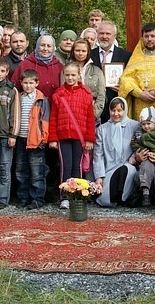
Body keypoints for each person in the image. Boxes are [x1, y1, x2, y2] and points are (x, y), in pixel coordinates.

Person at [49, 62, 96, 209]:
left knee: (77, 166)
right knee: (65, 166)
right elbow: (53, 117)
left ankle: (77, 195)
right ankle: (64, 196)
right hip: (63, 136)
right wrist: (53, 138)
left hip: (79, 136)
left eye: (73, 75)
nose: (70, 77)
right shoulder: (58, 94)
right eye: (67, 75)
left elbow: (90, 118)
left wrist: (89, 138)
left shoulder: (86, 93)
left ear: (79, 74)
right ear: (63, 75)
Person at [93, 97, 140, 207]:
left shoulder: (134, 126)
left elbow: (138, 145)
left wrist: (134, 157)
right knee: (106, 201)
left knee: (126, 170)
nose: (116, 114)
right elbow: (98, 154)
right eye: (113, 110)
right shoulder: (102, 129)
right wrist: (99, 176)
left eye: (119, 110)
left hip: (127, 166)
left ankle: (124, 196)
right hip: (109, 169)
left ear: (125, 111)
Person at [15, 69, 50, 210]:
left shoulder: (42, 100)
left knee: (37, 172)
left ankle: (37, 198)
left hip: (36, 141)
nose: (28, 86)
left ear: (37, 83)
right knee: (21, 170)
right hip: (20, 139)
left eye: (31, 83)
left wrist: (44, 138)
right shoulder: (19, 97)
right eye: (25, 83)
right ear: (21, 83)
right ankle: (23, 197)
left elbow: (46, 120)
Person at [0, 58, 20, 209]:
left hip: (5, 135)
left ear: (7, 72)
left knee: (4, 167)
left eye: (2, 71)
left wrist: (13, 134)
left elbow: (15, 113)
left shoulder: (11, 90)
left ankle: (2, 198)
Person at [90, 21, 131, 122]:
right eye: (101, 33)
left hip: (117, 106)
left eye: (108, 34)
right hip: (94, 105)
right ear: (97, 35)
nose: (104, 36)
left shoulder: (126, 55)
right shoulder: (89, 55)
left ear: (114, 36)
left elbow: (131, 78)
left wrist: (123, 87)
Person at [11, 34, 63, 102]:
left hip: (54, 108)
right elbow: (14, 89)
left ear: (53, 48)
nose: (45, 49)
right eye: (42, 45)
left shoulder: (59, 66)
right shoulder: (25, 65)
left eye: (49, 46)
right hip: (30, 108)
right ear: (37, 46)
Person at [70, 38, 106, 121]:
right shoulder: (66, 69)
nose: (80, 53)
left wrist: (95, 114)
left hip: (92, 114)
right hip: (72, 115)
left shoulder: (97, 70)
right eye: (77, 50)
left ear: (88, 52)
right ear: (73, 51)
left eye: (83, 51)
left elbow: (101, 95)